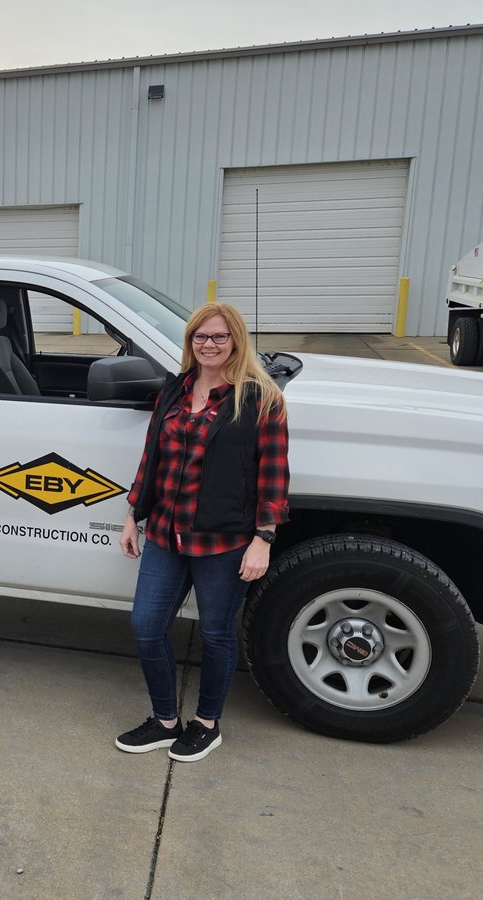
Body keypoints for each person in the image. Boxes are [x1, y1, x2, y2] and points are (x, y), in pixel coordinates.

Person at [116, 302, 289, 762]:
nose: (208, 345)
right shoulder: (175, 389)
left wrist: (263, 538)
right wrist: (134, 513)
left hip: (224, 542)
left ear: (235, 341)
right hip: (165, 534)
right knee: (146, 627)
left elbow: (273, 475)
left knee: (215, 633)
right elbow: (152, 457)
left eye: (218, 337)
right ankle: (164, 721)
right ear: (190, 341)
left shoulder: (260, 399)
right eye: (200, 337)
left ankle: (206, 724)